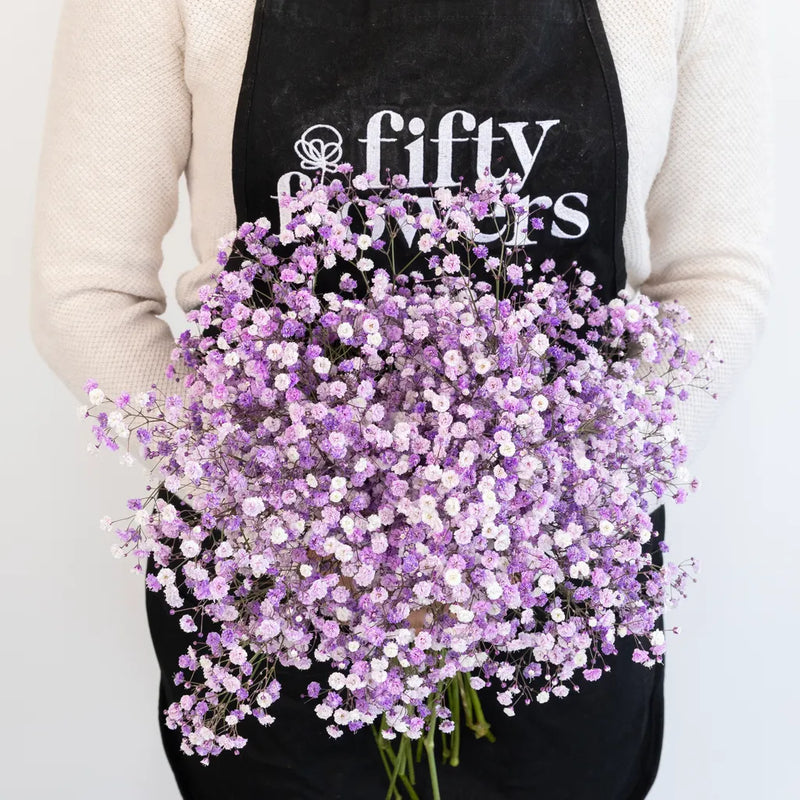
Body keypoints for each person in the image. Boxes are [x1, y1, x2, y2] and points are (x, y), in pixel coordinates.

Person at [29, 1, 772, 798]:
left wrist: (537, 516)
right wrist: (283, 517)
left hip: (563, 578)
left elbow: (715, 278)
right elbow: (85, 291)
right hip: (280, 586)